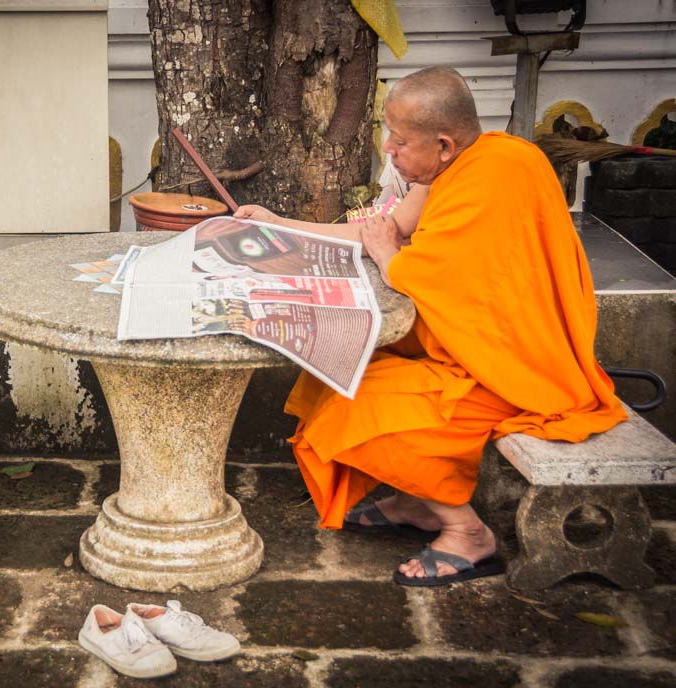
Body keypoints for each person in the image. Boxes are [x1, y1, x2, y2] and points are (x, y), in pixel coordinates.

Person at [232, 66, 627, 586]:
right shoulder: (453, 166)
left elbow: (420, 270)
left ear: (444, 144)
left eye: (399, 141)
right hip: (471, 353)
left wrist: (390, 255)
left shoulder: (498, 175)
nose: (389, 150)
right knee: (338, 373)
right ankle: (416, 504)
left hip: (515, 369)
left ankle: (467, 534)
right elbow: (378, 232)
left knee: (358, 407)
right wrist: (277, 225)